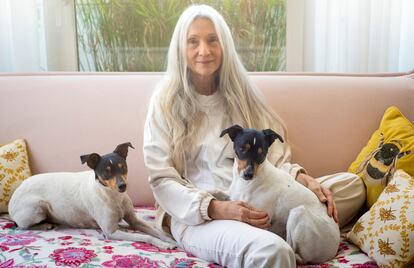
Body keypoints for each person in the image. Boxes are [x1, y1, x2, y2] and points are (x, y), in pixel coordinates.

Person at [143, 4, 365, 268]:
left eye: (212, 40)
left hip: (259, 193)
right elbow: (161, 180)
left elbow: (272, 160)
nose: (204, 50)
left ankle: (287, 228)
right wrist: (217, 208)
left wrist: (303, 178)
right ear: (181, 48)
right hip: (201, 214)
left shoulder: (242, 94)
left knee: (352, 185)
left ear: (224, 44)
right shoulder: (165, 101)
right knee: (274, 252)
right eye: (193, 42)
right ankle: (279, 239)